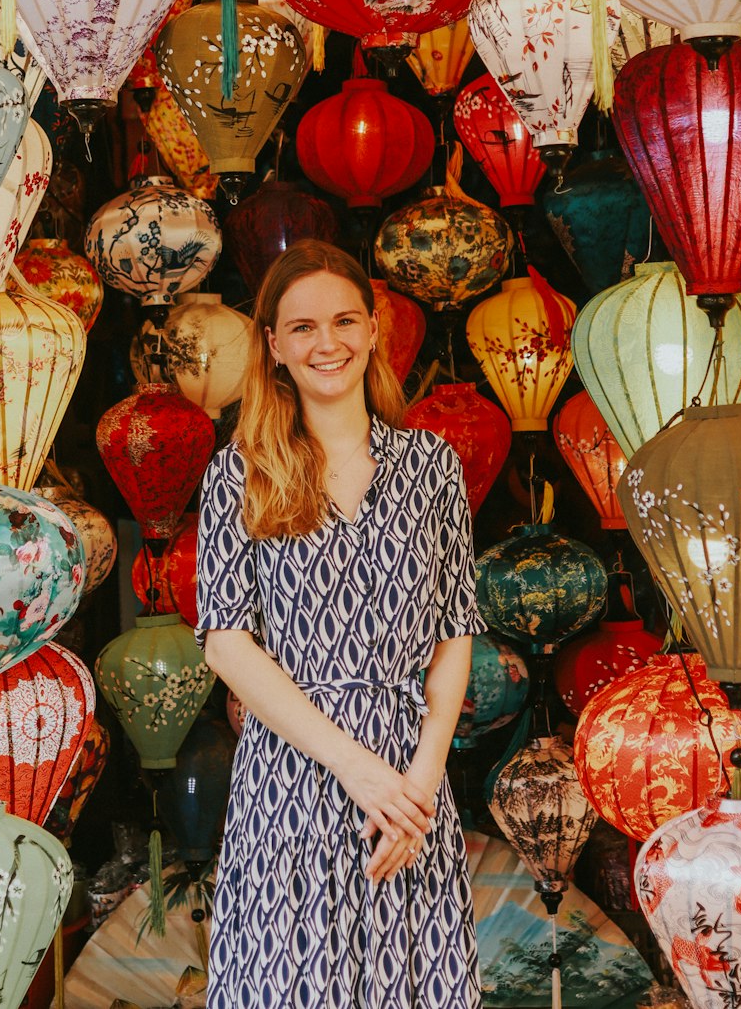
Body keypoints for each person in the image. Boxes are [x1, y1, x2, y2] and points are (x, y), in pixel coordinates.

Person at [195, 239, 487, 1008]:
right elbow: (226, 640)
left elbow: (455, 634)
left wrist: (419, 784)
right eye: (302, 328)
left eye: (345, 321)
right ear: (273, 346)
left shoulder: (431, 466)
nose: (328, 343)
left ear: (373, 329)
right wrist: (353, 766)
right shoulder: (240, 469)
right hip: (292, 774)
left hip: (409, 787)